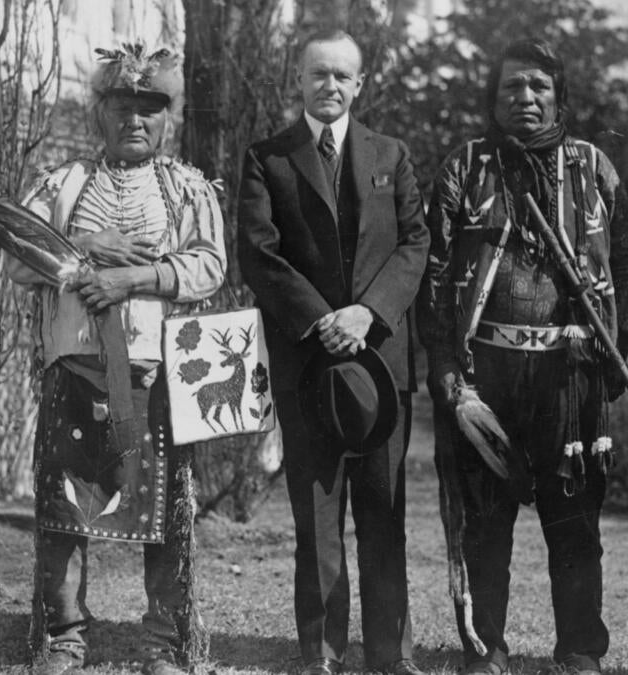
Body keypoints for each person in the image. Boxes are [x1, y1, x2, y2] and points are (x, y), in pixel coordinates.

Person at [417, 39, 628, 675]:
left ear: (559, 97)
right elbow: (433, 275)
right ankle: (486, 647)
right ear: (494, 98)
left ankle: (578, 649)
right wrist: (443, 367)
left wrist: (613, 351)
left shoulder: (594, 168)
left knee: (574, 519)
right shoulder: (467, 167)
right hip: (485, 371)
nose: (526, 97)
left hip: (572, 374)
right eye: (513, 87)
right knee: (484, 524)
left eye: (539, 87)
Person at [5, 41, 226, 675]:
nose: (135, 120)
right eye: (122, 107)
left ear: (168, 117)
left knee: (164, 514)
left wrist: (135, 279)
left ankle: (163, 641)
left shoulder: (186, 188)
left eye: (149, 109)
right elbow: (17, 258)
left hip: (156, 376)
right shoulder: (63, 184)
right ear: (99, 113)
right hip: (76, 371)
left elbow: (210, 265)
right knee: (65, 510)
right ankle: (65, 637)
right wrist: (83, 246)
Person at [238, 28, 430, 675]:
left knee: (383, 512)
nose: (330, 86)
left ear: (360, 83)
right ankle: (320, 652)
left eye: (342, 76)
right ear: (300, 79)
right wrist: (323, 320)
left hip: (380, 364)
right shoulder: (268, 158)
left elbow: (416, 243)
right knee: (317, 518)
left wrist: (366, 312)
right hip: (309, 364)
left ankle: (388, 654)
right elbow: (259, 254)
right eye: (318, 74)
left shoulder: (392, 154)